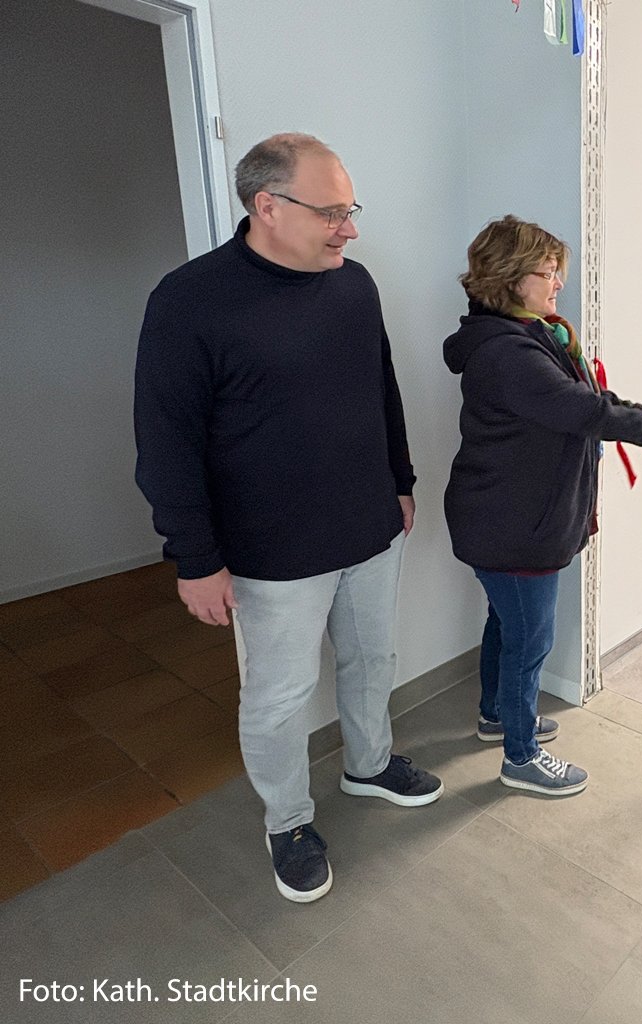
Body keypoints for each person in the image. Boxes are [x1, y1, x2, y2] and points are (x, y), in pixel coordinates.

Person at [134, 133, 441, 905]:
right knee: (276, 697)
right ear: (267, 206)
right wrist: (194, 559)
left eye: (351, 209)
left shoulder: (353, 284)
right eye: (333, 212)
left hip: (370, 527)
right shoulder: (189, 300)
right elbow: (166, 440)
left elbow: (381, 388)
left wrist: (398, 481)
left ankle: (368, 766)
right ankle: (288, 821)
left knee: (372, 662)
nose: (350, 228)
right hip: (272, 553)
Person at [442, 215, 642, 796]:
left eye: (557, 272)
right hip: (513, 524)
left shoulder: (533, 337)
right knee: (529, 640)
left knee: (508, 623)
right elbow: (588, 413)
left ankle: (497, 716)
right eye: (548, 273)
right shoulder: (508, 354)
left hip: (508, 515)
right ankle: (519, 757)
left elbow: (592, 399)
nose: (557, 284)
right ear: (511, 278)